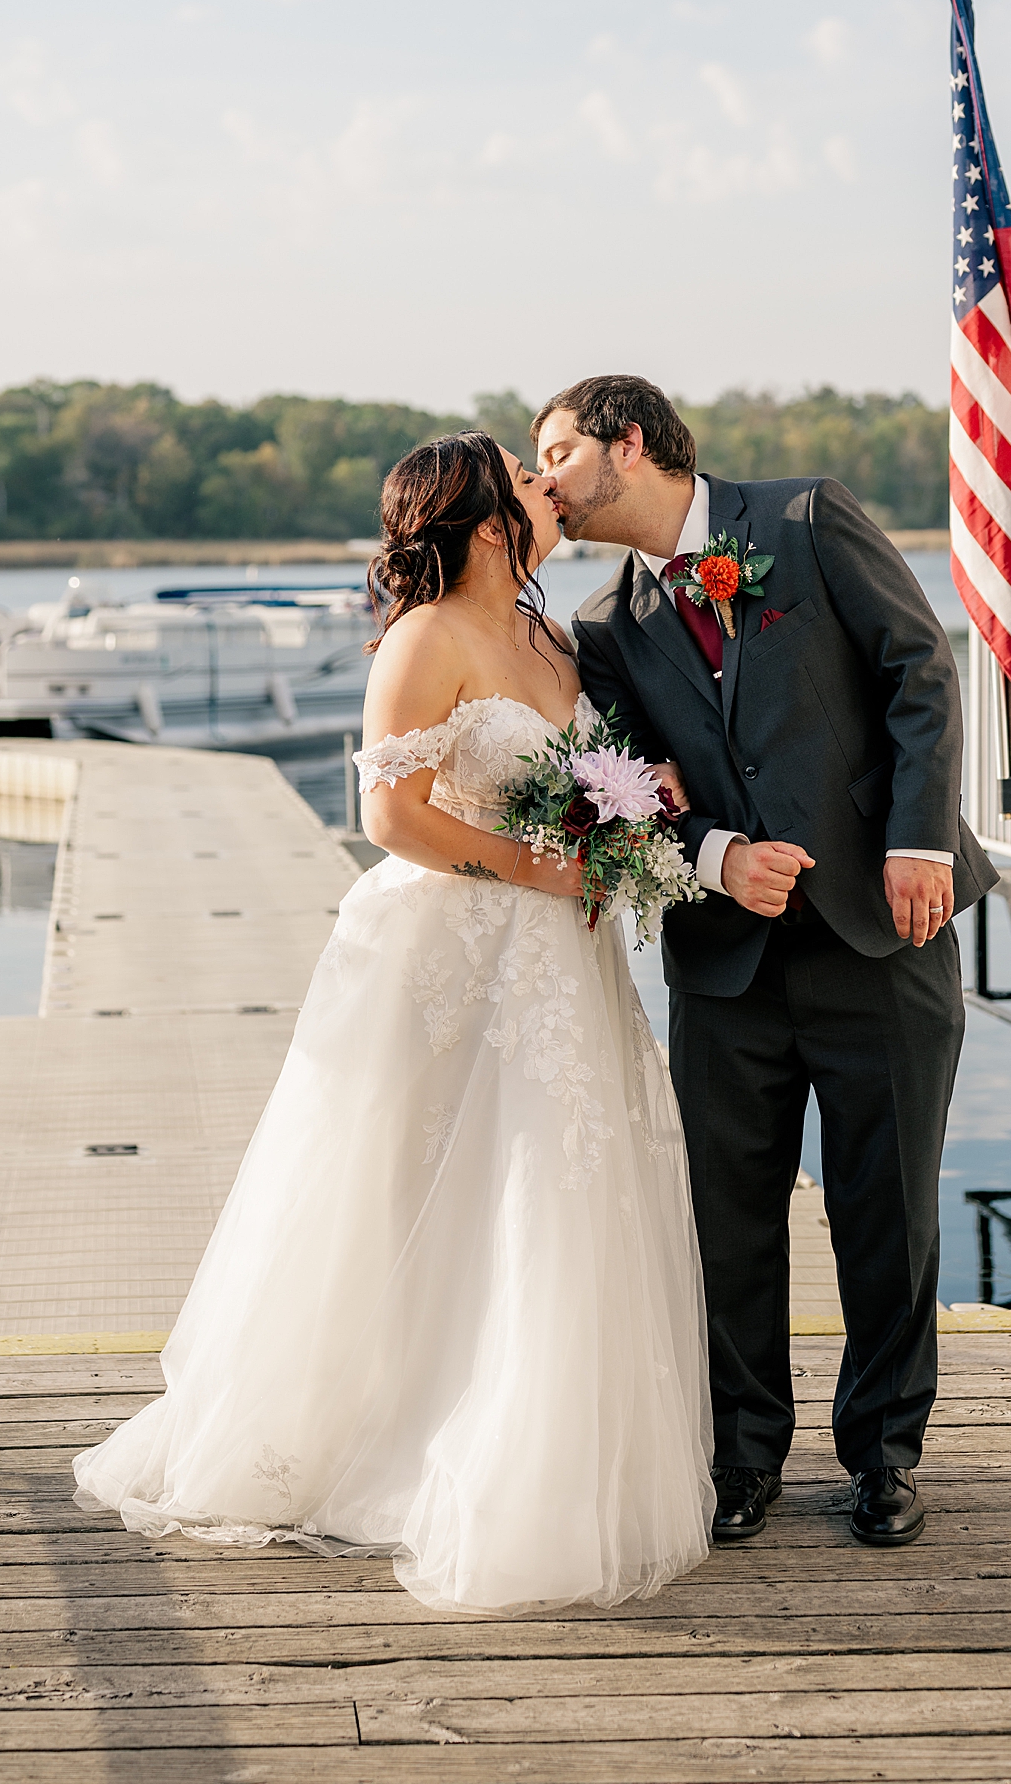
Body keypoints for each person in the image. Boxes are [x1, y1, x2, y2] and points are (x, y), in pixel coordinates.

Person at [73, 431, 714, 1615]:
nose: (548, 491)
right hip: (451, 946)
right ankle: (366, 1432)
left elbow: (587, 781)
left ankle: (530, 1439)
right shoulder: (425, 640)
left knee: (551, 1193)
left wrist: (634, 811)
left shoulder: (552, 636)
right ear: (485, 526)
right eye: (528, 484)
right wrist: (531, 871)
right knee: (403, 1187)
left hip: (562, 964)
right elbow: (388, 813)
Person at [535, 375, 997, 1550]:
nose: (545, 484)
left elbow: (919, 672)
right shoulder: (605, 628)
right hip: (724, 966)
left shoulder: (802, 519)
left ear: (627, 442)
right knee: (725, 1220)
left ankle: (885, 1454)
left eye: (557, 456)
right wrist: (717, 855)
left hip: (882, 931)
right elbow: (621, 791)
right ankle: (740, 1457)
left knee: (884, 1209)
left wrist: (915, 842)